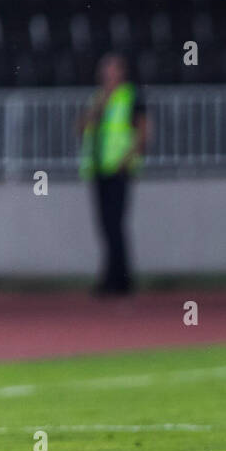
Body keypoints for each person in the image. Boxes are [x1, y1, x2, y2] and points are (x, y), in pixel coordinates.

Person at [78, 53, 147, 295]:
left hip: (119, 169)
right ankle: (111, 277)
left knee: (116, 225)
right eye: (104, 69)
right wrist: (98, 107)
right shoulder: (98, 98)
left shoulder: (131, 96)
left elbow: (143, 131)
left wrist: (127, 161)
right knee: (105, 225)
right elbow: (82, 128)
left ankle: (121, 280)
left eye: (111, 69)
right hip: (98, 168)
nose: (107, 74)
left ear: (122, 72)